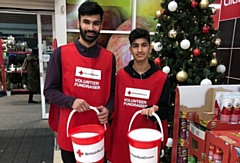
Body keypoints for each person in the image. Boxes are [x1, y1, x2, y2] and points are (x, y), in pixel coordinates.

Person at [44, 1, 116, 163]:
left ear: (101, 25)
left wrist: (109, 110)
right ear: (78, 23)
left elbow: (112, 92)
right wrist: (72, 101)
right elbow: (49, 90)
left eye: (95, 23)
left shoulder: (108, 58)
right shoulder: (60, 54)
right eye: (86, 22)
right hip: (71, 130)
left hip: (98, 131)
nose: (91, 28)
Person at [107, 28, 170, 163]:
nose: (140, 50)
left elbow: (166, 111)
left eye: (144, 45)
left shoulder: (162, 79)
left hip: (146, 144)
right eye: (135, 46)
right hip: (120, 140)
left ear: (150, 48)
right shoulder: (120, 77)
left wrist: (156, 110)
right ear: (130, 50)